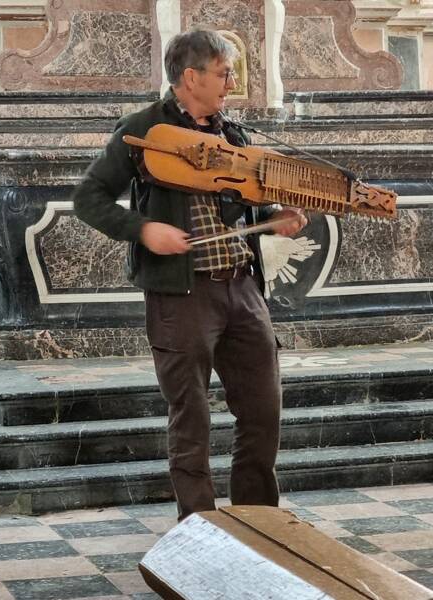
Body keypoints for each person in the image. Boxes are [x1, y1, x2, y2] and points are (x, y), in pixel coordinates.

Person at [73, 26, 307, 521]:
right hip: (181, 296)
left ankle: (257, 521)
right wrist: (143, 229)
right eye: (223, 74)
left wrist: (277, 217)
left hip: (242, 289)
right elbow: (87, 198)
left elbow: (247, 205)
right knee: (192, 417)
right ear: (189, 77)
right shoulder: (142, 131)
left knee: (263, 411)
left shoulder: (232, 134)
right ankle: (198, 527)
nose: (230, 84)